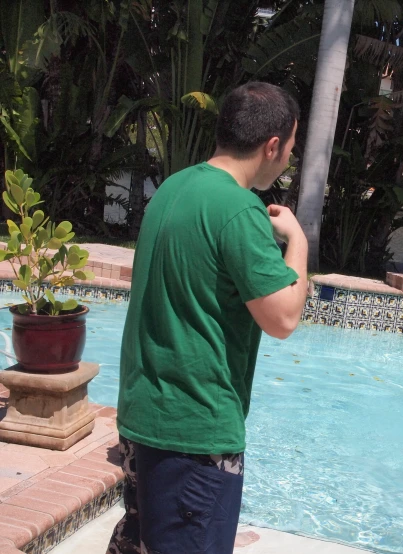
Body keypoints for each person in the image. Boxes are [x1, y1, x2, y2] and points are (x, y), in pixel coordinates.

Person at [107, 82, 308, 554]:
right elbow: (283, 318)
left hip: (145, 418)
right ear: (272, 145)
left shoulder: (173, 188)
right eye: (291, 150)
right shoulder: (240, 210)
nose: (287, 161)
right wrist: (296, 241)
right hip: (195, 433)